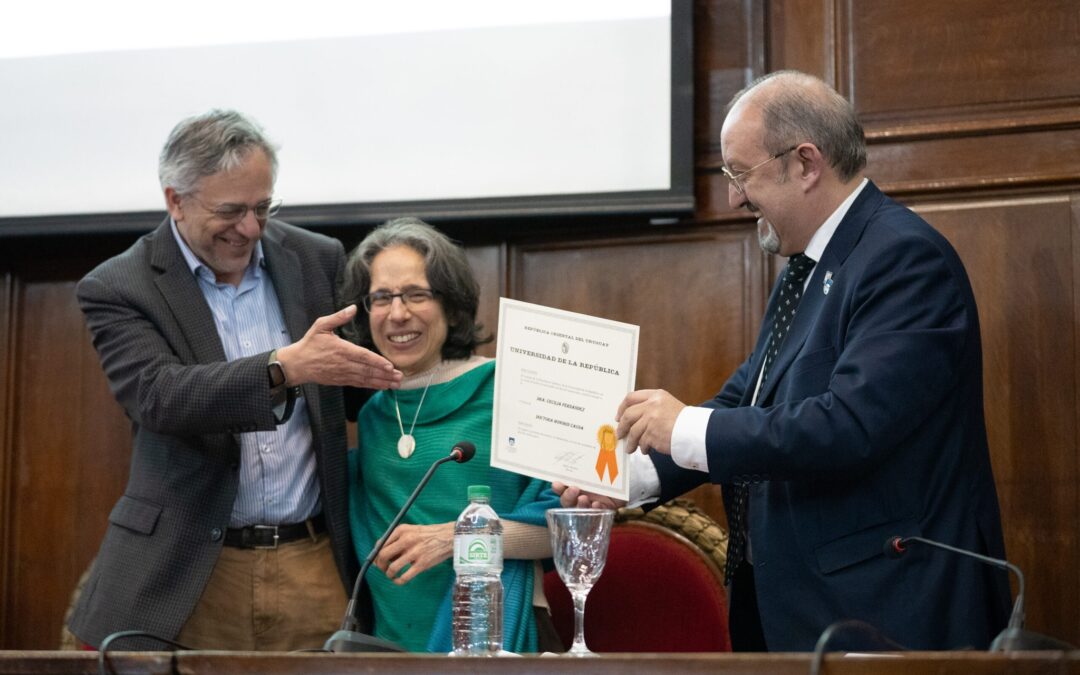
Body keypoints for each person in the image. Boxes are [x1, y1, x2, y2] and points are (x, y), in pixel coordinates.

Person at [557, 71, 1012, 651]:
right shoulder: (806, 268)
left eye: (739, 174)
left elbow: (850, 425)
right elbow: (748, 401)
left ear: (805, 163)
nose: (733, 197)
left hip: (890, 613)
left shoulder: (903, 258)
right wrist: (632, 476)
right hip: (805, 613)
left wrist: (685, 426)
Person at [69, 109, 402, 651]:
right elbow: (159, 397)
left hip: (314, 562)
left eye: (262, 208)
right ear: (175, 199)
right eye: (229, 211)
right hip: (193, 569)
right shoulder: (119, 286)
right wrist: (285, 368)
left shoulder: (315, 259)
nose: (250, 228)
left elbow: (361, 383)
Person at [340, 217, 561, 653]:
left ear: (453, 306)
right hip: (388, 646)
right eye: (381, 298)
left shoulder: (509, 390)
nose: (397, 313)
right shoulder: (371, 414)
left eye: (417, 294)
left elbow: (563, 528)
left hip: (489, 638)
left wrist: (458, 539)